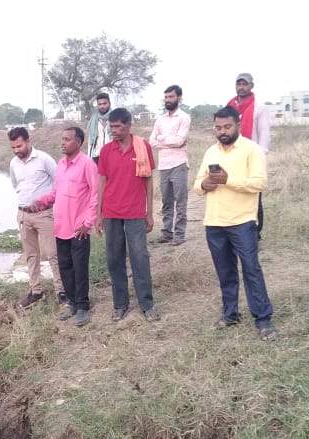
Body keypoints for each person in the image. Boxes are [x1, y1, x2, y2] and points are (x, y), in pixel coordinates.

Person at [193, 107, 277, 340]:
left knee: (251, 269)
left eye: (227, 126)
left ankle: (263, 319)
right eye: (218, 128)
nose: (222, 131)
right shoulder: (210, 152)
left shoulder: (252, 150)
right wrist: (205, 185)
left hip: (242, 221)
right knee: (225, 271)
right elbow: (197, 184)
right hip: (214, 221)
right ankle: (230, 313)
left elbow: (259, 183)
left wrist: (229, 180)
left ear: (238, 124)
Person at [95, 108, 160, 322]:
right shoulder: (105, 151)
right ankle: (120, 304)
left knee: (140, 257)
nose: (114, 130)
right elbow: (102, 182)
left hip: (134, 212)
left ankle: (147, 304)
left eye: (118, 127)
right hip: (111, 212)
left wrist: (149, 213)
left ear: (128, 125)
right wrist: (98, 214)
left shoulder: (142, 148)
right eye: (111, 127)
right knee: (114, 259)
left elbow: (148, 180)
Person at [35, 127, 98, 327]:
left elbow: (96, 195)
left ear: (78, 142)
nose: (62, 143)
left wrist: (87, 223)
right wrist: (41, 201)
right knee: (65, 267)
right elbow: (56, 192)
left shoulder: (87, 164)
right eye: (62, 139)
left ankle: (82, 306)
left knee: (80, 269)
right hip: (61, 226)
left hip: (79, 228)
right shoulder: (61, 165)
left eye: (67, 139)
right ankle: (71, 302)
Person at [8, 127, 64, 308]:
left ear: (28, 140)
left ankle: (61, 290)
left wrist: (47, 202)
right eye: (13, 148)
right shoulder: (13, 163)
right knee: (31, 255)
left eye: (19, 146)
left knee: (52, 253)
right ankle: (35, 291)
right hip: (24, 215)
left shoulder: (44, 159)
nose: (17, 151)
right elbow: (15, 184)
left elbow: (60, 182)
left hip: (44, 214)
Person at [227, 73, 271, 238]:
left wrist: (258, 161)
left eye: (245, 84)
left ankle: (255, 234)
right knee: (233, 195)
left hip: (251, 160)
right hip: (231, 159)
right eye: (238, 84)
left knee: (253, 198)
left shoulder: (259, 108)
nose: (241, 87)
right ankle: (235, 231)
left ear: (251, 86)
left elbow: (264, 137)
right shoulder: (230, 107)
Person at [150, 85, 191, 246]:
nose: (168, 100)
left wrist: (162, 138)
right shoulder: (160, 119)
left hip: (179, 163)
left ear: (179, 98)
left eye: (171, 97)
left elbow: (180, 140)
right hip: (164, 165)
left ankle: (179, 234)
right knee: (166, 201)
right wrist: (169, 140)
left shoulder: (184, 117)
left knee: (180, 200)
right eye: (166, 97)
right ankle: (167, 232)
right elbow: (152, 141)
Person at [85, 93, 112, 163]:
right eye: (99, 104)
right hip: (96, 157)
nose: (102, 106)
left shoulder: (115, 118)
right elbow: (90, 141)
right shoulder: (94, 119)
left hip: (111, 156)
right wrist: (89, 159)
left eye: (104, 103)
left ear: (109, 103)